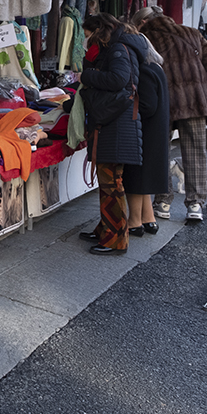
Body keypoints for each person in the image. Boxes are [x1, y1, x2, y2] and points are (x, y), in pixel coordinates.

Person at [133, 4, 207, 223]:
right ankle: (195, 204)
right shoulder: (191, 33)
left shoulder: (145, 39)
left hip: (162, 103)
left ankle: (163, 202)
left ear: (144, 23)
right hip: (194, 100)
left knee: (159, 151)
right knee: (195, 152)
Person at [78, 14, 143, 256]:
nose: (85, 40)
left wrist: (85, 76)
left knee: (112, 183)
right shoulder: (116, 47)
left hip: (116, 125)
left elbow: (118, 79)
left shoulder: (117, 49)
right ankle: (106, 228)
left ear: (98, 30)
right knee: (108, 182)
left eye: (87, 35)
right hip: (114, 123)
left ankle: (116, 239)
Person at [119, 24, 170, 236]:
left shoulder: (145, 71)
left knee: (135, 179)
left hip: (146, 132)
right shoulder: (156, 67)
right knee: (143, 179)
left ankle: (134, 222)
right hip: (156, 131)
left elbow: (147, 106)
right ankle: (148, 219)